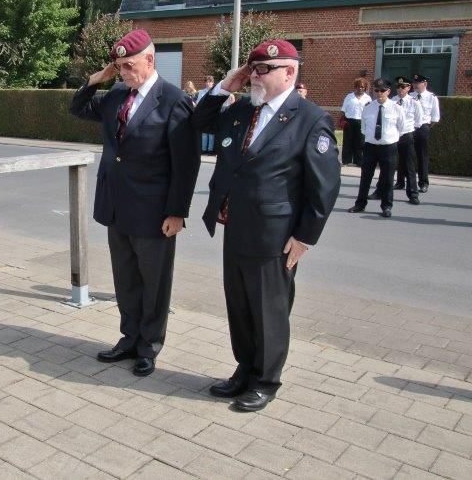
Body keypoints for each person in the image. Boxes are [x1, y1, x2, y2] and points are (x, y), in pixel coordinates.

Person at [191, 39, 340, 411]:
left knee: (268, 309)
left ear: (290, 72)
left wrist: (305, 236)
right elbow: (197, 121)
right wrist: (228, 83)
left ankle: (267, 380)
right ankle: (245, 369)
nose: (255, 76)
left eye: (263, 70)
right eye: (253, 69)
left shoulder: (309, 118)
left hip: (275, 234)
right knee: (239, 305)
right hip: (235, 225)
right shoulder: (242, 108)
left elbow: (324, 187)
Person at [69, 29, 201, 377]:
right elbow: (78, 108)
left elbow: (186, 163)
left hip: (155, 212)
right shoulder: (115, 95)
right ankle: (128, 338)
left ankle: (149, 346)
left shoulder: (173, 100)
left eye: (130, 65)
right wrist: (98, 79)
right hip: (117, 205)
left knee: (154, 283)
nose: (125, 72)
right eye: (120, 66)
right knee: (125, 280)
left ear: (150, 60)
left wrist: (178, 211)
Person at [348, 78, 405, 218]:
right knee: (365, 177)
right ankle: (360, 204)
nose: (379, 93)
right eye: (376, 90)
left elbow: (401, 128)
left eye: (382, 91)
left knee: (387, 178)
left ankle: (386, 206)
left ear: (389, 91)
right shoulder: (368, 107)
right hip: (370, 147)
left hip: (388, 147)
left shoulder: (396, 108)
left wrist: (389, 138)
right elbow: (363, 128)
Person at [370, 77, 423, 204]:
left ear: (409, 88)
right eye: (398, 87)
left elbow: (418, 122)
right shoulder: (392, 101)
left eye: (403, 87)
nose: (400, 89)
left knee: (409, 166)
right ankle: (380, 191)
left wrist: (406, 131)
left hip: (406, 136)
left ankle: (413, 194)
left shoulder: (414, 102)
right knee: (386, 166)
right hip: (392, 138)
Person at [411, 73, 441, 193]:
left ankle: (423, 183)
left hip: (423, 128)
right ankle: (402, 181)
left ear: (425, 84)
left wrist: (425, 127)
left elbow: (434, 118)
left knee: (422, 156)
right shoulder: (409, 96)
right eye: (414, 83)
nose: (416, 85)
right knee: (407, 156)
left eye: (418, 83)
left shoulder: (431, 97)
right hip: (410, 128)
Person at [340, 78, 371, 166]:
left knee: (360, 142)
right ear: (355, 87)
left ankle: (359, 161)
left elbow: (370, 111)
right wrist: (342, 120)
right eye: (358, 87)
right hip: (349, 120)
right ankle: (346, 160)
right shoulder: (349, 97)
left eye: (362, 87)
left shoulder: (367, 98)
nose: (360, 88)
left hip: (362, 121)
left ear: (365, 88)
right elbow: (343, 110)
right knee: (348, 141)